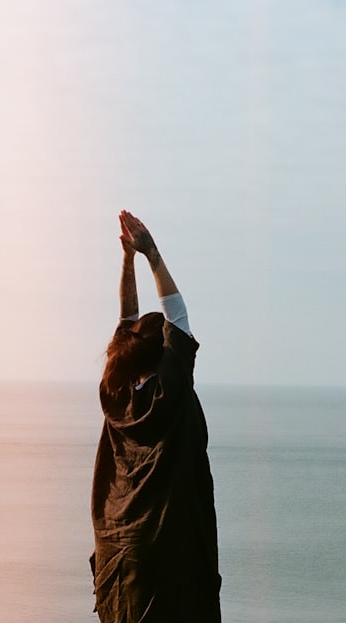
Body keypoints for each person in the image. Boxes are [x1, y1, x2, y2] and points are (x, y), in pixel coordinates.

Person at [90, 210, 222, 622]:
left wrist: (129, 260)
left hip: (117, 546)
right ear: (162, 355)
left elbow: (127, 324)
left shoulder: (114, 394)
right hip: (165, 547)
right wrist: (152, 254)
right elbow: (176, 317)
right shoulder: (170, 391)